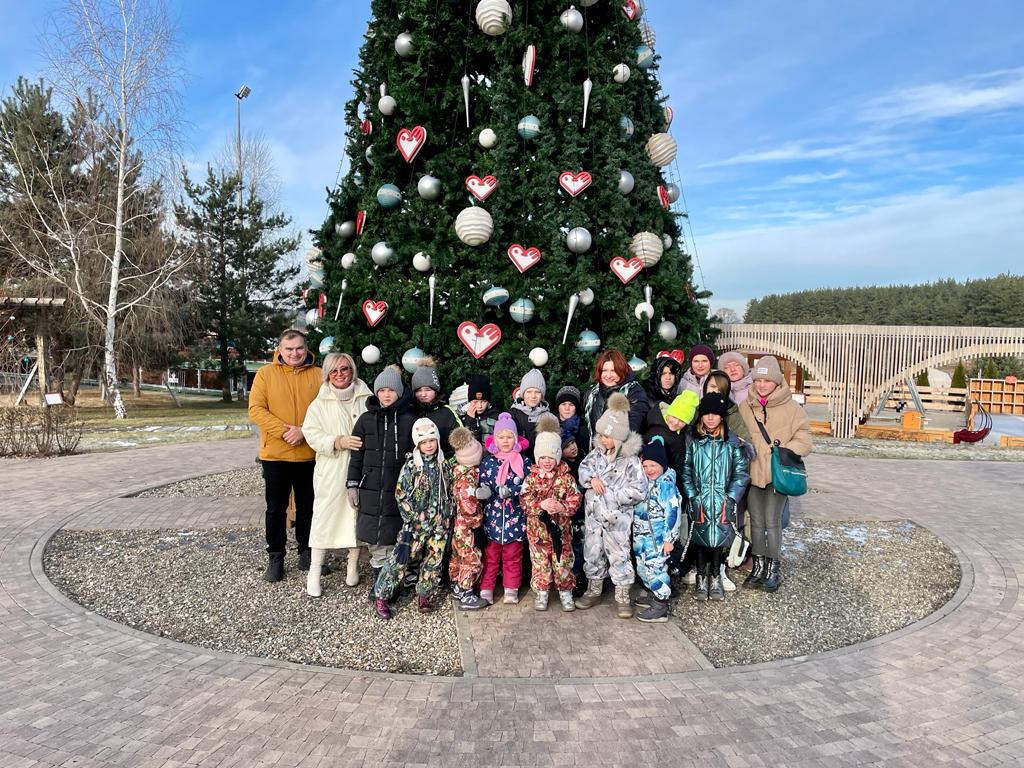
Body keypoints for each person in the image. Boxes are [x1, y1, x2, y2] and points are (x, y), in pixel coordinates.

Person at [248, 328, 322, 582]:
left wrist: (304, 431)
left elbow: (325, 410)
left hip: (309, 453)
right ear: (279, 349)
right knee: (275, 509)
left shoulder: (319, 375)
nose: (294, 353)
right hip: (275, 455)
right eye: (289, 349)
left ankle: (306, 551)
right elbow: (256, 409)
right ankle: (276, 556)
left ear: (306, 348)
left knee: (308, 507)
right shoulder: (265, 374)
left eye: (299, 348)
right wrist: (284, 431)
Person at [739, 356, 812, 592]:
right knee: (757, 522)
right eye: (758, 380)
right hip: (752, 473)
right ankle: (758, 565)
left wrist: (783, 450)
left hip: (775, 475)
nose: (762, 385)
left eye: (767, 381)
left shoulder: (792, 409)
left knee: (773, 522)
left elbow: (805, 440)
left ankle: (773, 567)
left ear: (777, 382)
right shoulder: (746, 406)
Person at [301, 352, 371, 597]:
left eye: (345, 369)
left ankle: (352, 567)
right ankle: (314, 571)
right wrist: (337, 441)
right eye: (334, 371)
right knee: (324, 518)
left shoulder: (367, 398)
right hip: (332, 469)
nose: (340, 374)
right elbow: (311, 434)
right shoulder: (319, 403)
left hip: (361, 468)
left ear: (352, 370)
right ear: (328, 374)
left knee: (356, 518)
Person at [372, 419, 455, 619]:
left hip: (440, 524)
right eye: (424, 441)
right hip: (416, 526)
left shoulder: (444, 464)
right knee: (400, 559)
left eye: (432, 440)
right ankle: (382, 595)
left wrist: (449, 512)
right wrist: (411, 517)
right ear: (417, 444)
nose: (429, 445)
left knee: (434, 561)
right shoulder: (412, 466)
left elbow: (451, 489)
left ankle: (424, 594)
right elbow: (401, 493)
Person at [575, 392, 648, 619]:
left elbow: (639, 489)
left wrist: (614, 495)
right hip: (594, 517)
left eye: (608, 436)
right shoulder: (595, 455)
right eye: (602, 435)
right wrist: (591, 480)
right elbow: (583, 470)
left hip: (618, 519)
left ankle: (623, 596)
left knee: (620, 555)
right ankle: (593, 589)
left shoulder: (631, 461)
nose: (604, 440)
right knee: (593, 551)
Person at [346, 365, 415, 593]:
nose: (386, 395)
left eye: (391, 390)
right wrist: (353, 484)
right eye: (382, 390)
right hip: (371, 488)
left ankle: (393, 581)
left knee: (394, 535)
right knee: (375, 537)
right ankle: (379, 583)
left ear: (399, 392)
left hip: (398, 489)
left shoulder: (409, 420)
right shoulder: (366, 420)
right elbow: (356, 456)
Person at [683, 393, 750, 601]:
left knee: (719, 540)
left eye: (715, 414)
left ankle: (715, 576)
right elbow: (686, 471)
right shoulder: (695, 443)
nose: (710, 418)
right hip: (701, 499)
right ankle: (702, 576)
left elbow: (741, 473)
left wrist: (731, 497)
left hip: (722, 500)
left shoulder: (732, 444)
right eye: (706, 414)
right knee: (701, 539)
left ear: (722, 416)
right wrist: (693, 496)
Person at [520, 415, 582, 612]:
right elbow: (524, 500)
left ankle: (566, 593)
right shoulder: (531, 478)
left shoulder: (566, 477)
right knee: (540, 564)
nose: (547, 461)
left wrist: (562, 507)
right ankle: (542, 592)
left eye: (551, 457)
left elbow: (575, 498)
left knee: (563, 562)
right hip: (537, 533)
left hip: (561, 533)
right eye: (543, 457)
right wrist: (541, 504)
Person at [478, 412, 531, 605]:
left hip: (514, 518)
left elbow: (529, 485)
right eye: (502, 437)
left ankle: (511, 588)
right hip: (493, 519)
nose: (506, 441)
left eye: (510, 437)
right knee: (490, 557)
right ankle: (487, 587)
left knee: (512, 557)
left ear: (516, 439)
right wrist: (484, 491)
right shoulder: (489, 462)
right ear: (495, 439)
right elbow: (484, 482)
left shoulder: (523, 462)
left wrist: (512, 490)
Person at [632, 438, 682, 622]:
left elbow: (673, 513)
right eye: (645, 466)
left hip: (658, 539)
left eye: (653, 465)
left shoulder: (665, 485)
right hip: (641, 537)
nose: (649, 470)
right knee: (643, 568)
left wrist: (670, 539)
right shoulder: (644, 482)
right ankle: (653, 593)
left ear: (662, 464)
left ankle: (661, 605)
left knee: (656, 569)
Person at [447, 426, 491, 610]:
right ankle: (466, 592)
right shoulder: (467, 479)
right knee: (471, 559)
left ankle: (457, 586)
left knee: (458, 557)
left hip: (459, 526)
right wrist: (477, 522)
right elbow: (468, 505)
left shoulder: (458, 472)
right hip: (467, 527)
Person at [582, 348, 650, 446]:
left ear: (621, 370)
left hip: (623, 452)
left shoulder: (634, 392)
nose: (608, 375)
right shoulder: (592, 393)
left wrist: (611, 445)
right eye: (604, 370)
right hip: (597, 454)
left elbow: (635, 425)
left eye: (613, 371)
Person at [409, 357, 461, 454]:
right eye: (419, 390)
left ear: (436, 391)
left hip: (445, 463)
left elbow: (461, 440)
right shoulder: (411, 412)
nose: (423, 394)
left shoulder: (446, 412)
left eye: (427, 390)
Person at [510, 368, 551, 453]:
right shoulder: (512, 415)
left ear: (542, 395)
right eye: (529, 392)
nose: (533, 396)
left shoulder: (549, 418)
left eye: (537, 392)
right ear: (522, 394)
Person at [643, 350, 685, 433]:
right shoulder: (646, 397)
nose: (668, 377)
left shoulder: (677, 397)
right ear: (656, 374)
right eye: (663, 373)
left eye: (671, 373)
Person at [461, 373, 502, 442]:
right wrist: (470, 420)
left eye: (483, 401)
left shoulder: (496, 417)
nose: (479, 406)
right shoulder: (462, 417)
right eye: (475, 402)